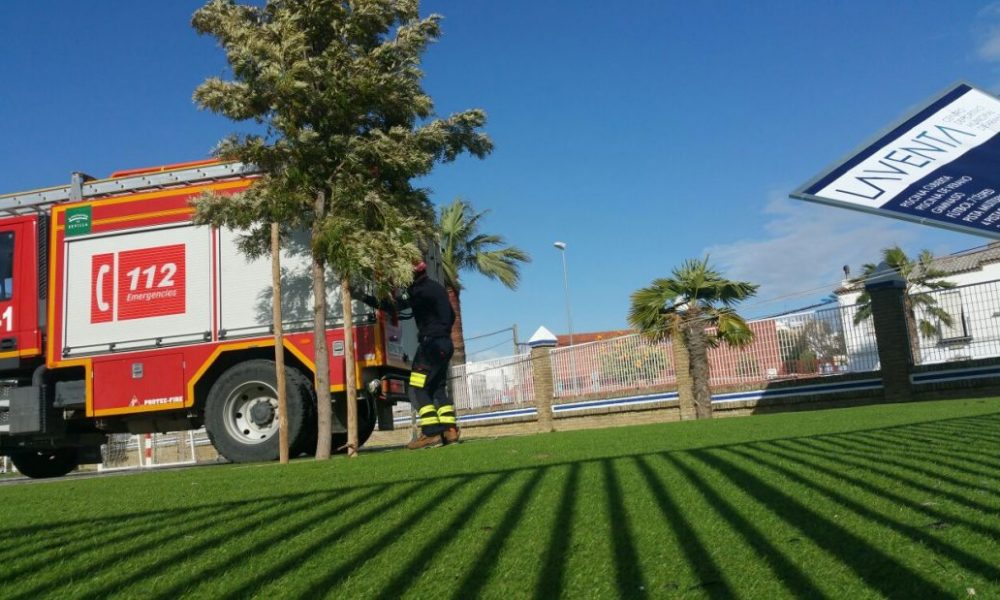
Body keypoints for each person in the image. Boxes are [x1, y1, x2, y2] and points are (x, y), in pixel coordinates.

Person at [359, 259, 461, 449]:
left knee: (416, 387)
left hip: (430, 345)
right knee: (437, 388)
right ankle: (450, 430)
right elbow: (452, 315)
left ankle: (431, 433)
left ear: (410, 275)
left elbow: (392, 306)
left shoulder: (418, 291)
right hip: (445, 344)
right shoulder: (436, 288)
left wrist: (363, 297)